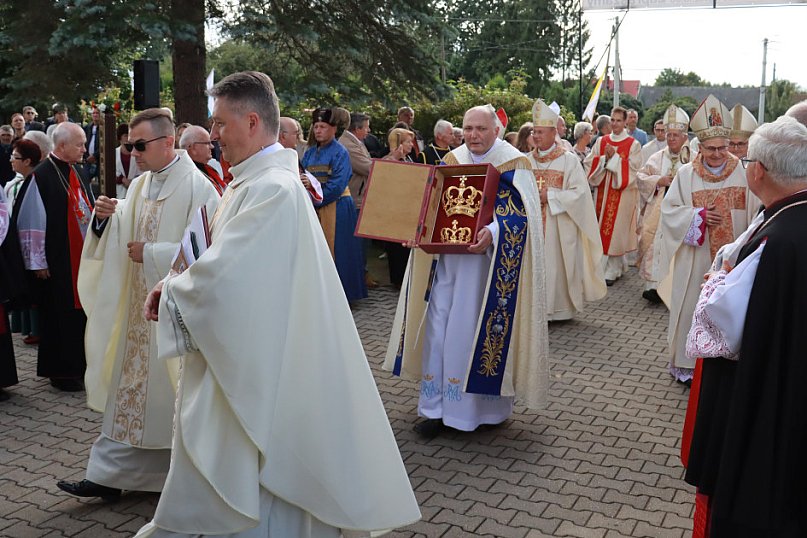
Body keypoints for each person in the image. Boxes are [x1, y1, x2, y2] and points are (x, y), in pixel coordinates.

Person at [136, 70, 420, 537]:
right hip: (251, 356)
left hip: (265, 369)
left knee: (259, 485)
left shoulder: (271, 189)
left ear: (251, 122)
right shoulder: (254, 182)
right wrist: (174, 279)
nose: (213, 135)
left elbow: (231, 280)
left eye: (220, 123)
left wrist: (171, 295)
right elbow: (217, 260)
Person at [53, 109, 221, 500]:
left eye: (140, 145)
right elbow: (118, 234)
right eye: (130, 146)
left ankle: (176, 479)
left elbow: (208, 250)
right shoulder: (142, 182)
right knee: (129, 397)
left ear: (167, 143)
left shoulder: (199, 188)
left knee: (169, 403)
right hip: (136, 316)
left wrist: (152, 252)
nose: (133, 153)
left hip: (172, 312)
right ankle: (107, 476)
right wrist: (104, 218)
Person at [384, 104, 549, 438]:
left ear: (496, 131)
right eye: (468, 128)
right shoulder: (451, 160)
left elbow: (525, 216)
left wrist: (495, 231)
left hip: (486, 271)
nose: (473, 136)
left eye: (481, 129)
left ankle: (480, 412)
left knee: (469, 331)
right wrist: (413, 230)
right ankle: (435, 409)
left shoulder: (515, 162)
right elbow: (431, 203)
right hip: (446, 261)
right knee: (438, 327)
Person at [684, 115, 807, 537]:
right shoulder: (789, 216)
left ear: (760, 170)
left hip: (766, 394)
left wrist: (718, 286)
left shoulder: (779, 237)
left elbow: (731, 323)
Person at [654, 94, 759, 385]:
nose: (717, 154)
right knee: (691, 305)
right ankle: (687, 365)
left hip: (733, 261)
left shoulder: (744, 171)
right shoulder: (686, 175)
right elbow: (669, 211)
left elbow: (756, 213)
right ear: (699, 147)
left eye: (723, 147)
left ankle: (728, 362)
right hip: (696, 258)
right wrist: (697, 216)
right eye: (711, 148)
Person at [12, 122, 93, 391]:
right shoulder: (42, 176)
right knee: (58, 316)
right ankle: (61, 373)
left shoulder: (77, 170)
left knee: (77, 316)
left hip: (79, 257)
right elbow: (30, 222)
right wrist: (38, 262)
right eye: (80, 144)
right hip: (55, 260)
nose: (85, 148)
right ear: (62, 146)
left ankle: (78, 367)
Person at [526, 99, 606, 321]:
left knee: (556, 267)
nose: (536, 136)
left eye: (541, 132)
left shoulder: (568, 160)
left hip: (558, 226)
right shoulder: (525, 161)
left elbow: (580, 195)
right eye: (534, 132)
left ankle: (557, 311)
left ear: (554, 133)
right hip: (532, 225)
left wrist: (549, 196)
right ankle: (533, 309)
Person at [302, 107, 367, 303]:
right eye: (316, 127)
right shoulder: (310, 152)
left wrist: (315, 196)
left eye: (322, 127)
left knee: (340, 250)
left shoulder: (340, 152)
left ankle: (343, 294)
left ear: (333, 129)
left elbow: (338, 183)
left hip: (337, 206)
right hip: (316, 205)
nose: (318, 131)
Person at [636, 105, 690, 303]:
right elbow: (640, 176)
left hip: (682, 211)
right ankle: (653, 286)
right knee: (655, 246)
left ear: (685, 136)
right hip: (658, 211)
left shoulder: (693, 158)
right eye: (669, 134)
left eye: (675, 135)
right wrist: (658, 180)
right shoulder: (657, 157)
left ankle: (673, 288)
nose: (671, 138)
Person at [584, 106, 642, 285]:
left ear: (625, 122)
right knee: (602, 230)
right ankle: (611, 267)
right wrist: (605, 159)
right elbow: (589, 162)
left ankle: (613, 268)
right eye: (612, 120)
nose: (615, 124)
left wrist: (615, 157)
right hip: (602, 191)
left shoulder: (633, 144)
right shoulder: (601, 141)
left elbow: (634, 170)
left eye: (618, 120)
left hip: (622, 194)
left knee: (617, 232)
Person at [5, 140, 41, 348]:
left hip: (31, 249)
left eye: (15, 157)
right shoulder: (16, 183)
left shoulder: (35, 182)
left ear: (27, 161)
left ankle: (37, 330)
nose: (11, 160)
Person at [179, 125, 227, 195]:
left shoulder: (210, 169)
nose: (212, 146)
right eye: (207, 143)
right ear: (193, 148)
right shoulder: (186, 175)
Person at [339, 112, 373, 209]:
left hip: (356, 198)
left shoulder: (355, 142)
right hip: (354, 200)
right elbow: (369, 168)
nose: (369, 130)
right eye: (367, 127)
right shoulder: (348, 145)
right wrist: (392, 158)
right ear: (357, 129)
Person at [114, 124, 141, 199]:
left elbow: (142, 171)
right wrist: (122, 180)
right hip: (118, 191)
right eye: (125, 135)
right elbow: (111, 171)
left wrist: (132, 182)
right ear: (120, 138)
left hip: (135, 190)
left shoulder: (137, 152)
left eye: (129, 135)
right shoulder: (114, 153)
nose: (128, 138)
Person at [84, 106, 102, 186]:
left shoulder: (103, 127)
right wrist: (87, 156)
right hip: (88, 159)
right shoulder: (88, 127)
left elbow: (103, 144)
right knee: (84, 180)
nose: (95, 115)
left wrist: (95, 155)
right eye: (93, 113)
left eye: (97, 113)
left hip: (100, 160)